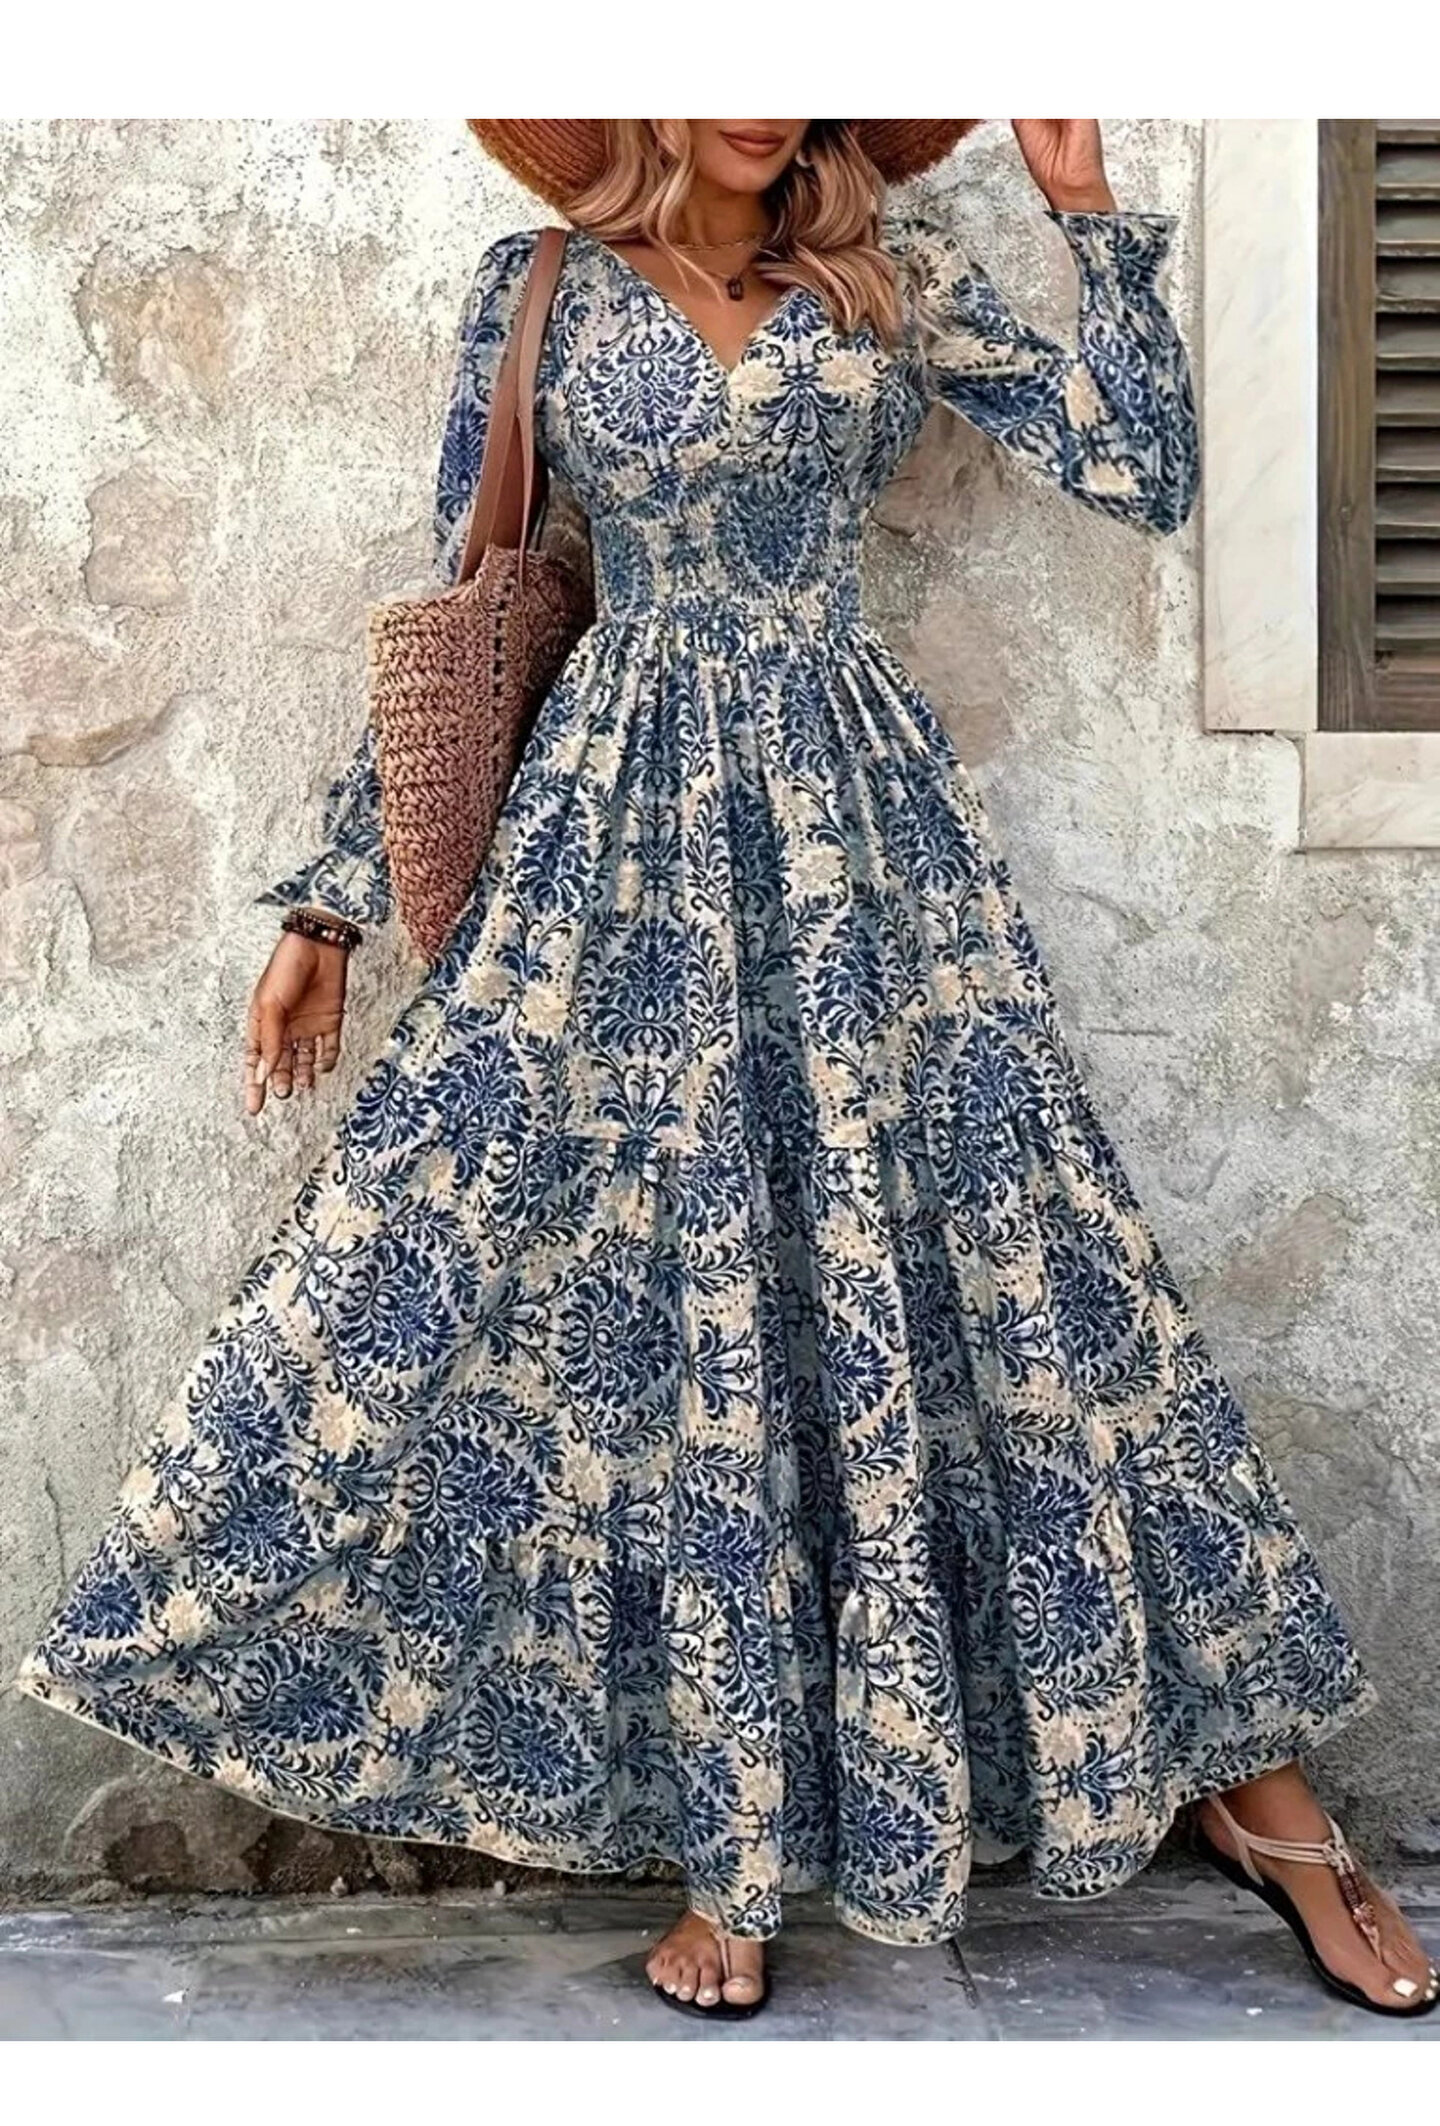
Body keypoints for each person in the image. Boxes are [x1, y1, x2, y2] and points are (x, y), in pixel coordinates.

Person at [16, 118, 1436, 2025]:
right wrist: (332, 904)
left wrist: (1091, 219)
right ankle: (733, 1841)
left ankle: (1258, 1794)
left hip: (858, 833)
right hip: (608, 843)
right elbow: (471, 596)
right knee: (629, 1305)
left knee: (1020, 1261)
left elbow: (1144, 467)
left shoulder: (888, 281)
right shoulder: (537, 293)